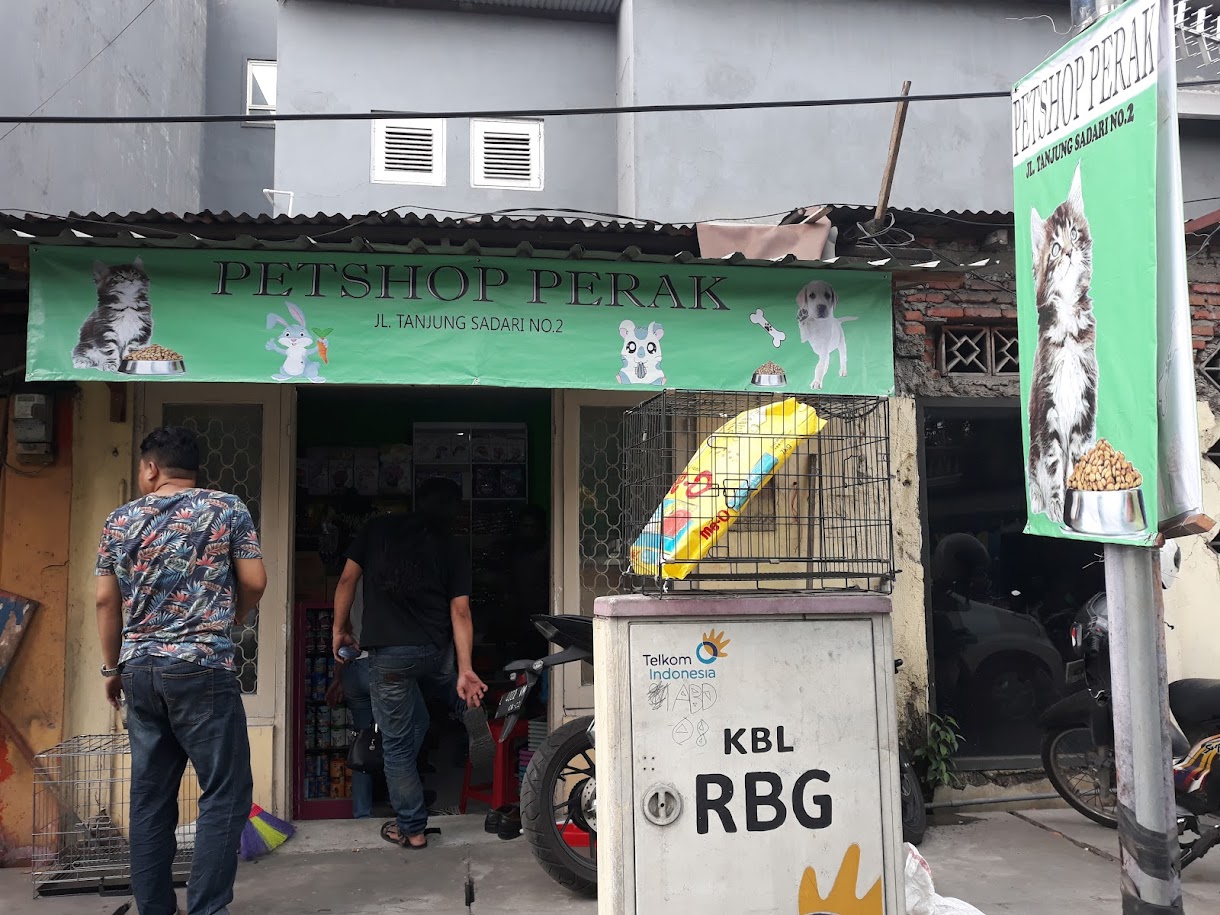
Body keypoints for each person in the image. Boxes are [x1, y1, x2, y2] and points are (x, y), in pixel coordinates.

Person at [95, 426, 267, 915]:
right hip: (201, 667)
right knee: (225, 792)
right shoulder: (227, 508)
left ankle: (154, 909)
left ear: (151, 468)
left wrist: (112, 667)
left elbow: (105, 600)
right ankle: (207, 908)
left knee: (150, 796)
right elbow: (255, 581)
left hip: (139, 670)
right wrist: (233, 618)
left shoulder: (119, 520)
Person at [332, 476, 492, 850]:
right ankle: (463, 705)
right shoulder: (451, 545)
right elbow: (461, 611)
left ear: (417, 500)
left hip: (390, 657)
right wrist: (466, 669)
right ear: (453, 510)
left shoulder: (377, 530)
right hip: (434, 652)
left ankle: (412, 829)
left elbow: (346, 580)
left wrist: (341, 629)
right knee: (424, 702)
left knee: (398, 747)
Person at [325, 580, 374, 819]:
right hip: (379, 666)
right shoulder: (385, 578)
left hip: (353, 668)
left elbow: (342, 633)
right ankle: (404, 810)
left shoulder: (350, 585)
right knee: (402, 736)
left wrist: (338, 677)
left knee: (363, 741)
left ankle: (362, 812)